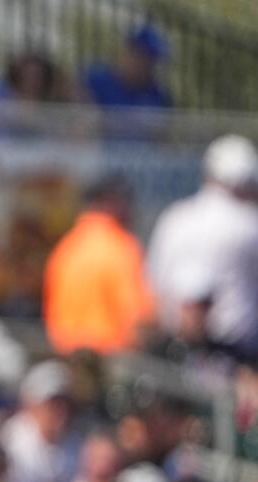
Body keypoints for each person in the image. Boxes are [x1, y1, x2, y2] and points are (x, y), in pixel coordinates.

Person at [148, 134, 258, 359]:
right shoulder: (249, 225)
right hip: (238, 357)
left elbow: (154, 281)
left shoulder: (174, 218)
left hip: (174, 354)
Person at [43, 176, 154, 355]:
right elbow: (138, 319)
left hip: (67, 359)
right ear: (112, 204)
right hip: (109, 362)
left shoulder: (66, 248)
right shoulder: (121, 247)